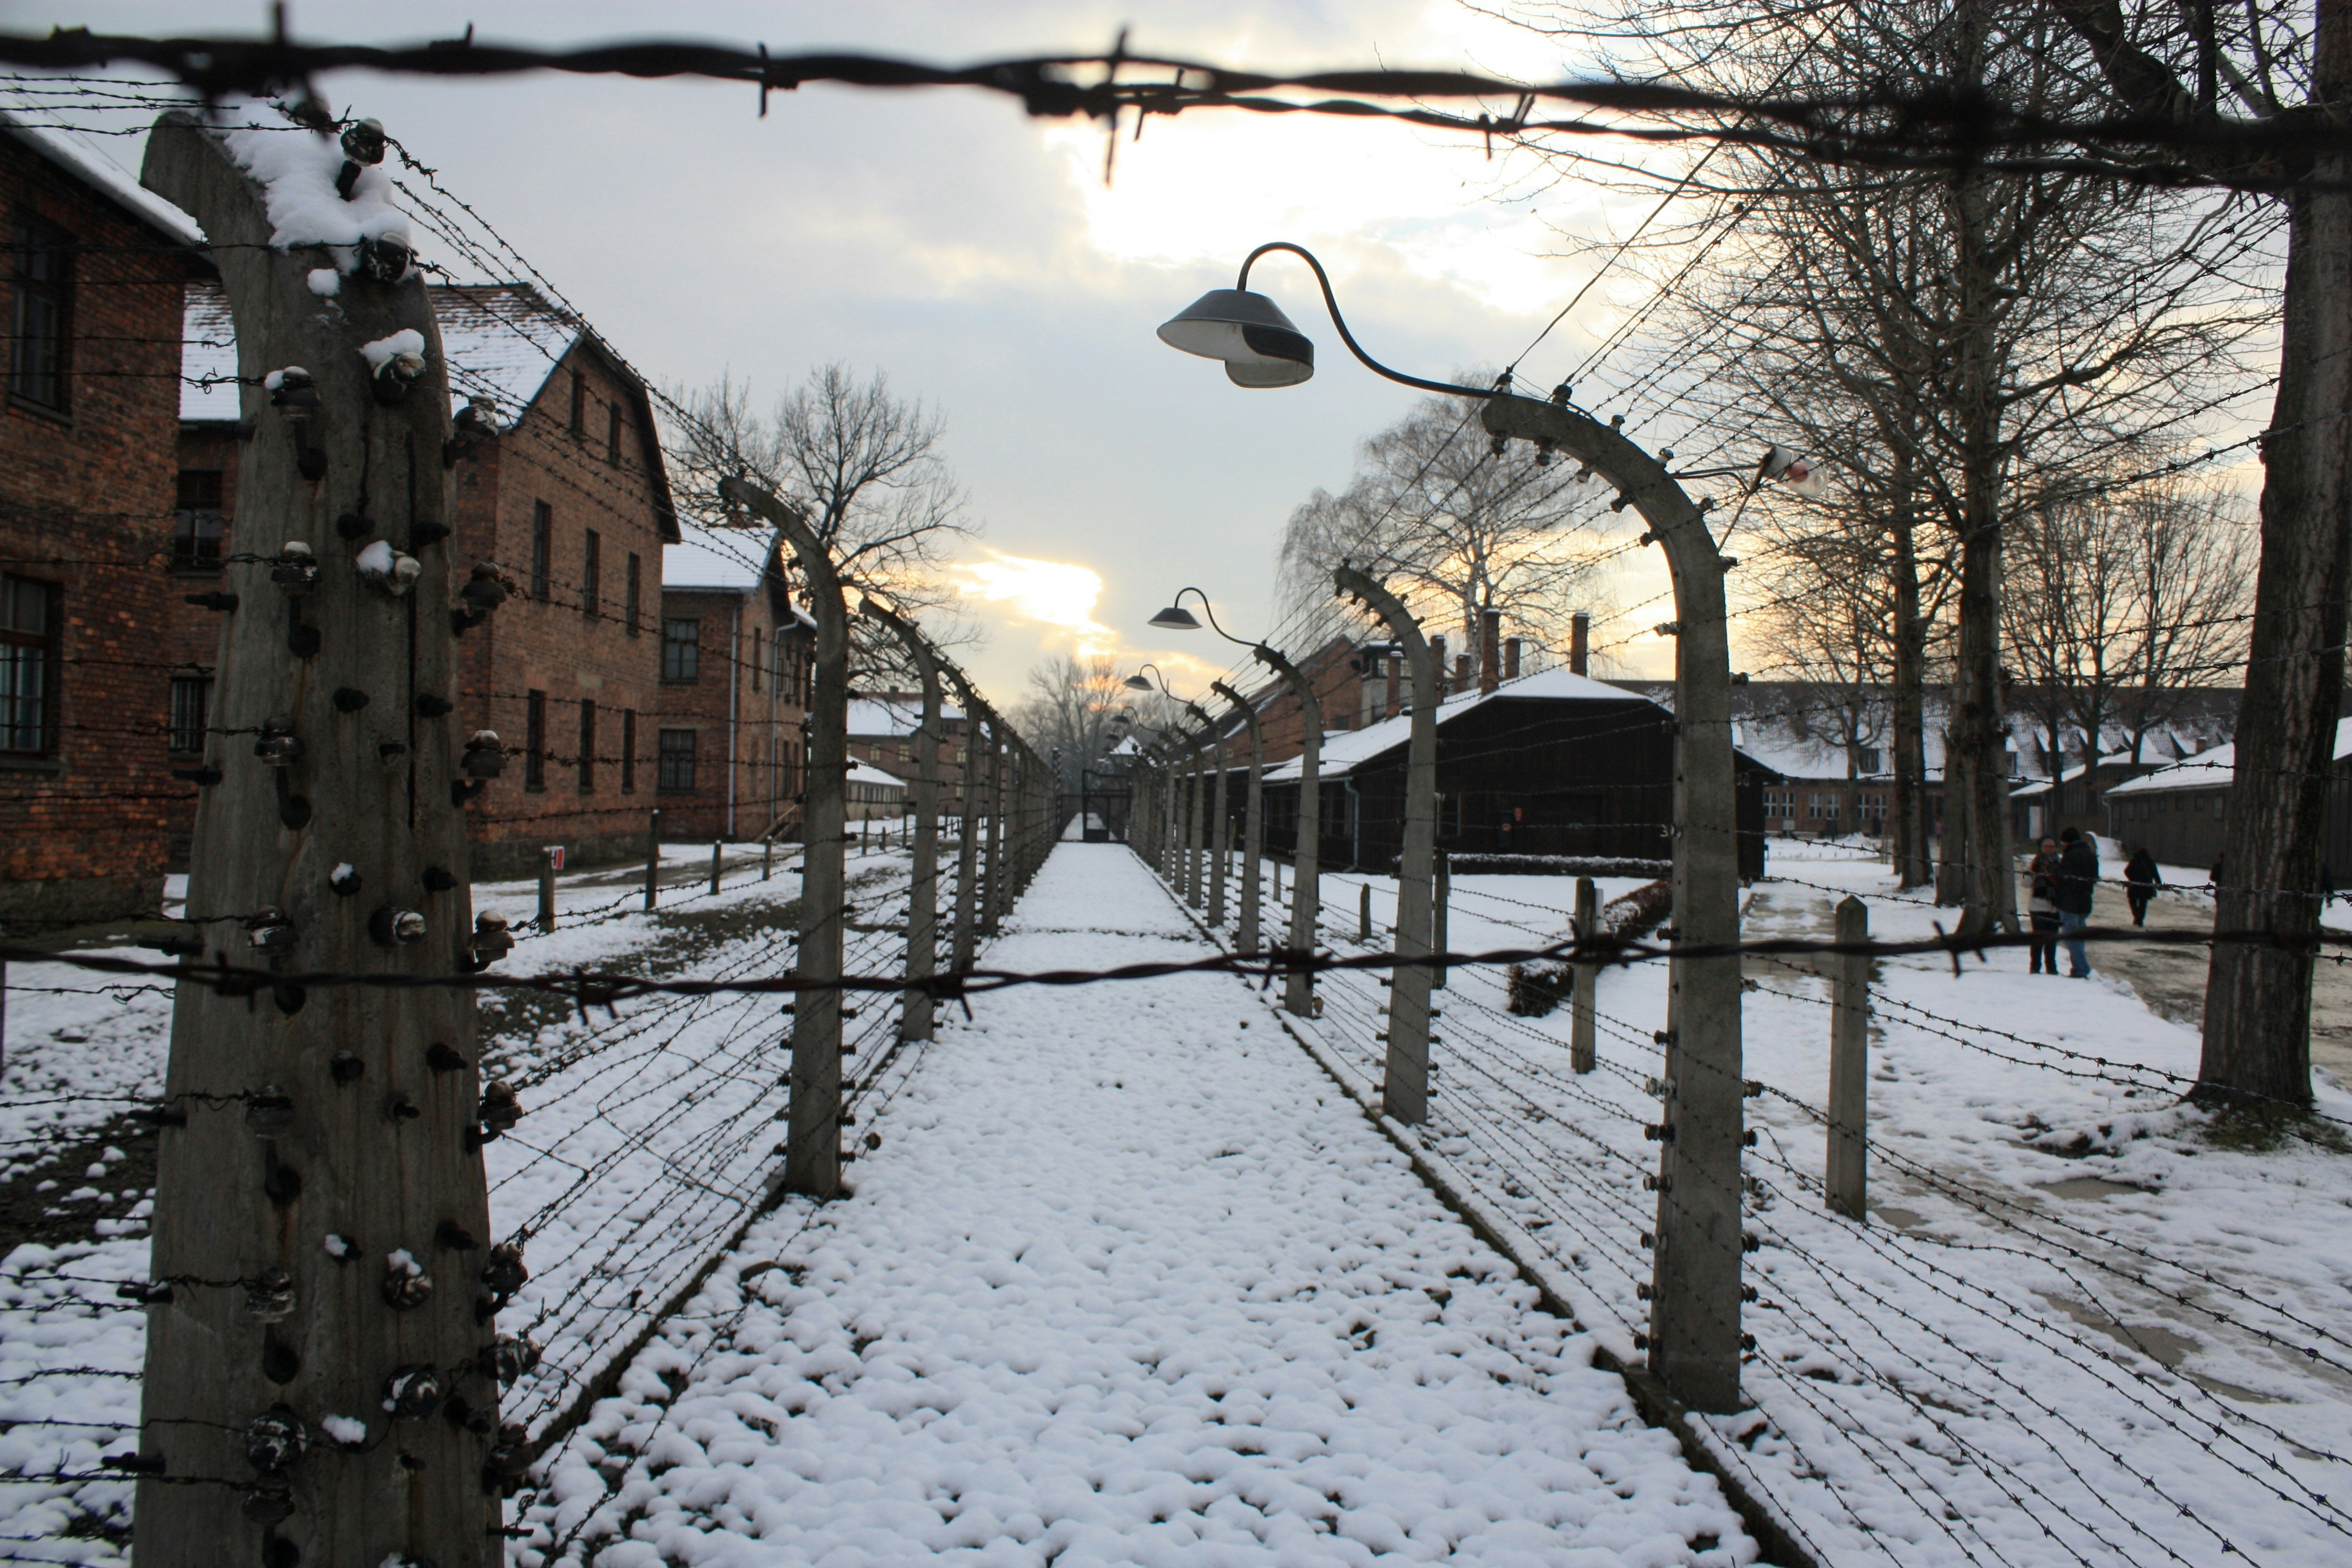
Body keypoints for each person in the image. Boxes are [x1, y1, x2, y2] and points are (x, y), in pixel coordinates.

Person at [2054, 826, 2099, 977]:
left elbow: (2063, 877)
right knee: (2078, 936)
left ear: (2067, 842)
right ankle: (2079, 967)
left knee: (2071, 937)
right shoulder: (2090, 854)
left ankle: (2081, 969)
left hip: (2069, 902)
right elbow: (2094, 878)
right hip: (2085, 900)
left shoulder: (2071, 855)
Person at [2026, 836, 2062, 974]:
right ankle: (2035, 966)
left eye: (2051, 846)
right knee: (2038, 938)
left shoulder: (2060, 863)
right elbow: (2024, 882)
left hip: (2055, 906)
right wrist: (2031, 872)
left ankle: (2051, 967)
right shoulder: (2034, 863)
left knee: (2052, 938)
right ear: (2041, 848)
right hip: (2038, 906)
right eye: (2046, 846)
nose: (2049, 849)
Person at [2124, 845, 2160, 928]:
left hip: (2134, 886)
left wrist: (2132, 878)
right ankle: (2140, 918)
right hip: (2146, 887)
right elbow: (2156, 874)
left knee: (2133, 902)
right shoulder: (2150, 862)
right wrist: (2159, 884)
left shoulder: (2134, 861)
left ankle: (2137, 916)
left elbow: (2127, 871)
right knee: (2143, 903)